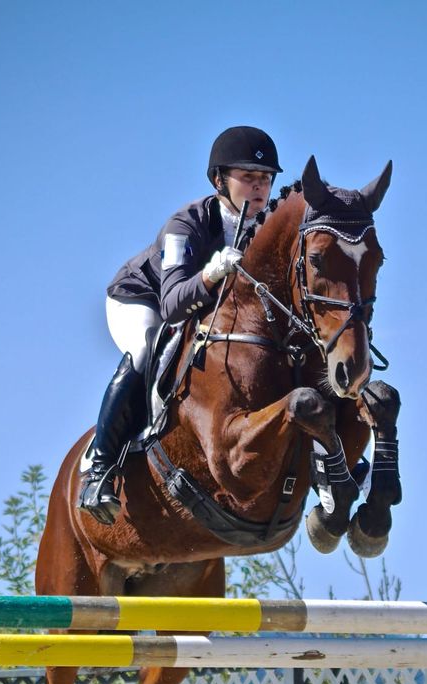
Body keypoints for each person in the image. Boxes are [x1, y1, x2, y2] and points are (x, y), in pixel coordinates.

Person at [78, 126, 282, 524]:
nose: (260, 187)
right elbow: (172, 306)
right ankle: (98, 469)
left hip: (201, 307)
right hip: (143, 298)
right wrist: (211, 274)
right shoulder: (185, 225)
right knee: (145, 348)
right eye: (248, 177)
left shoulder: (265, 226)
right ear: (219, 179)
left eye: (266, 178)